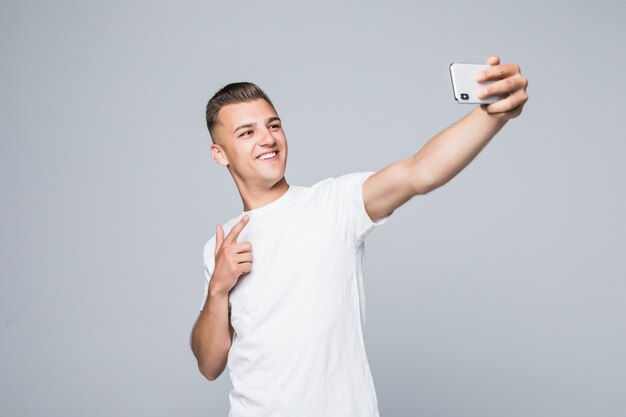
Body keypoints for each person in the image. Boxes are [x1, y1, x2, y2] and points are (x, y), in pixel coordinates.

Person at [190, 55, 528, 417]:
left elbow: (419, 172)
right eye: (247, 132)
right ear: (220, 154)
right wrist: (218, 288)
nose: (268, 138)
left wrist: (492, 115)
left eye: (273, 125)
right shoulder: (220, 247)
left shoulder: (332, 205)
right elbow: (210, 365)